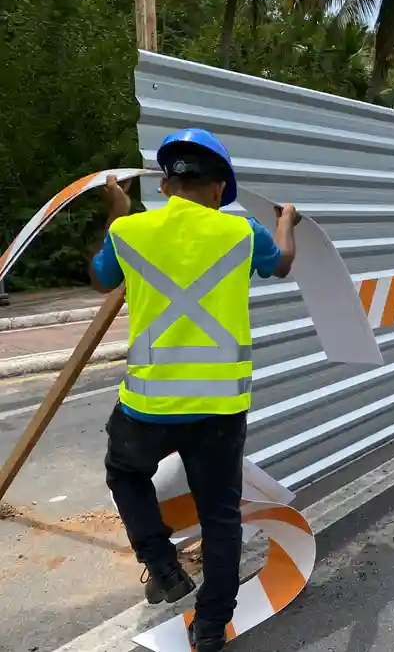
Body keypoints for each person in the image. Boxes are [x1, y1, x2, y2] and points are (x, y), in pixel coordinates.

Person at [89, 128, 300, 652]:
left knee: (124, 471)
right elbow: (283, 263)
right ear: (219, 188)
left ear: (165, 184)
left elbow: (100, 278)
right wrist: (286, 222)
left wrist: (116, 210)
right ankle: (208, 631)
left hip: (148, 407)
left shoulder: (130, 232)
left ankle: (162, 566)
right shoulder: (244, 232)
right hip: (219, 409)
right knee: (220, 517)